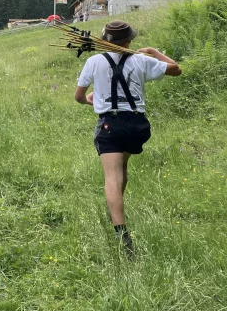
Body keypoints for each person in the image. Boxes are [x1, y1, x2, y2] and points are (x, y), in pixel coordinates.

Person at [73, 20, 181, 257]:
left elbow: (79, 96)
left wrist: (93, 99)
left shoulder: (94, 61)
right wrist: (153, 51)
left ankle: (124, 238)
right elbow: (175, 68)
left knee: (112, 177)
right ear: (129, 41)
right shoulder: (141, 60)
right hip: (137, 125)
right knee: (121, 168)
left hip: (110, 124)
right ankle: (115, 208)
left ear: (104, 40)